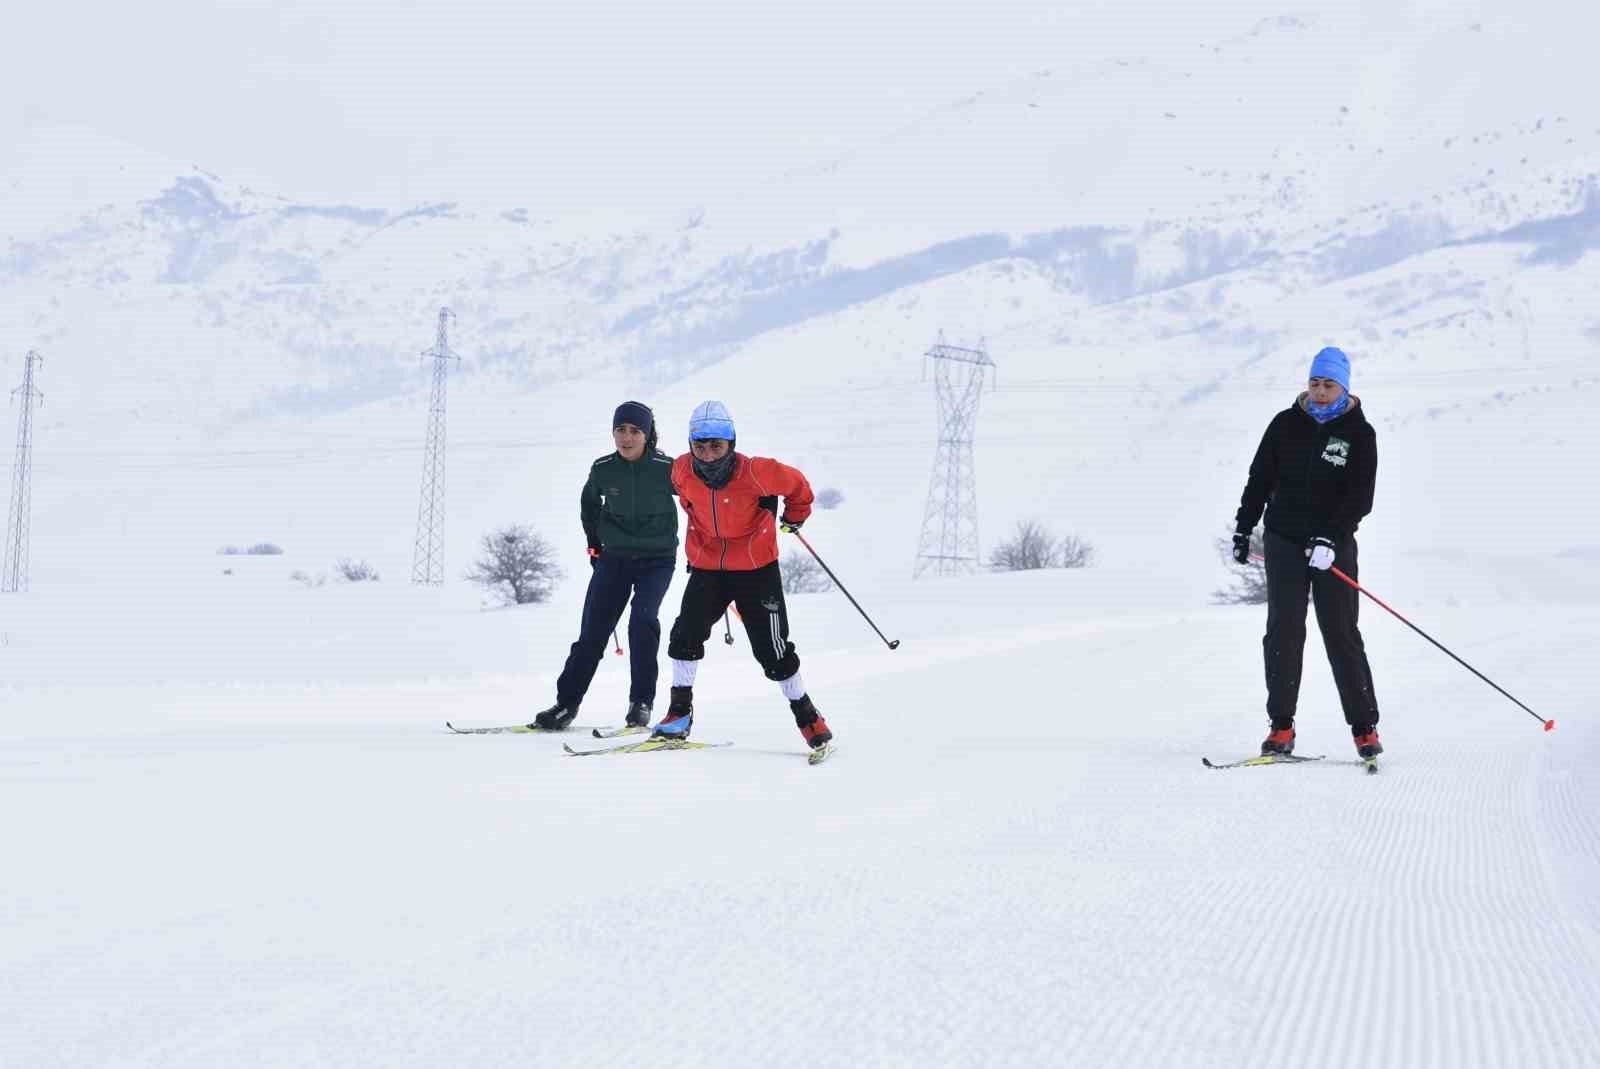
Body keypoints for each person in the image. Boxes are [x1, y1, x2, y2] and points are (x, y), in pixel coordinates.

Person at [652, 400, 833, 752]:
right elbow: (685, 499)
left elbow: (799, 488)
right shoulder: (680, 470)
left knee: (773, 651)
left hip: (756, 569)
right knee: (684, 635)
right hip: (708, 567)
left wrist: (795, 516)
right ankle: (678, 713)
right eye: (699, 446)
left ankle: (806, 713)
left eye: (716, 446)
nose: (707, 455)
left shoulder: (759, 472)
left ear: (731, 443)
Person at [1232, 346, 1383, 759]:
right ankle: (1281, 727)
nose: (1319, 391)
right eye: (1314, 383)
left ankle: (1364, 728)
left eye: (1328, 384)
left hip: (1332, 546)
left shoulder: (1359, 433)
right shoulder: (1284, 425)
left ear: (1343, 387)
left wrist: (1331, 538)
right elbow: (1259, 478)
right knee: (1283, 630)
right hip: (1283, 539)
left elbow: (1360, 497)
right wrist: (1244, 528)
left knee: (1340, 633)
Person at [531, 402, 677, 730]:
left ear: (647, 434)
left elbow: (698, 497)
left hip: (657, 560)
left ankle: (641, 703)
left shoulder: (666, 467)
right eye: (620, 429)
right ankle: (566, 704)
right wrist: (595, 543)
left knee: (642, 622)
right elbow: (588, 504)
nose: (626, 437)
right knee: (592, 633)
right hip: (614, 558)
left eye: (635, 431)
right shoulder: (603, 469)